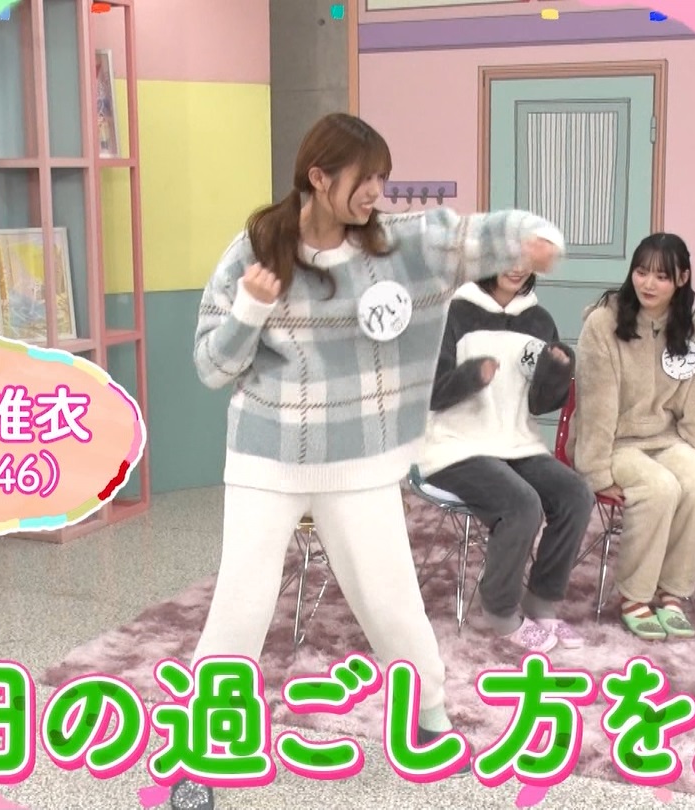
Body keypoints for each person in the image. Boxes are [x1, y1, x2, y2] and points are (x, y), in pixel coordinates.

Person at [181, 112, 564, 810]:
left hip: (359, 461)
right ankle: (204, 748)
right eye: (365, 179)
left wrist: (533, 238)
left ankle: (429, 718)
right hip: (268, 457)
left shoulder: (395, 244)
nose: (376, 193)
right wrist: (249, 310)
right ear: (318, 177)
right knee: (240, 603)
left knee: (390, 597)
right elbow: (212, 367)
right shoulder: (256, 250)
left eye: (383, 179)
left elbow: (470, 233)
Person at [417, 267, 593, 654]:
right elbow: (429, 394)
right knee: (521, 504)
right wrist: (471, 377)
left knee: (576, 495)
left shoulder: (539, 319)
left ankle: (541, 600)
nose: (516, 266)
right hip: (455, 445)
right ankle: (499, 608)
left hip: (518, 443)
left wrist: (557, 371)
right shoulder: (452, 312)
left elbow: (541, 404)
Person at [568, 233, 695, 640]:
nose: (648, 284)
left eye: (662, 276)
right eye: (641, 272)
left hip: (668, 438)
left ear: (682, 279)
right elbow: (596, 405)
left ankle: (672, 592)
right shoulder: (603, 323)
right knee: (659, 489)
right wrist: (597, 471)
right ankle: (634, 596)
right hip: (614, 441)